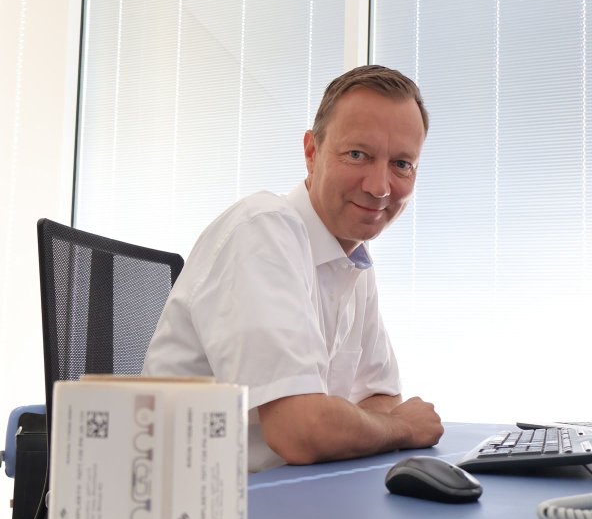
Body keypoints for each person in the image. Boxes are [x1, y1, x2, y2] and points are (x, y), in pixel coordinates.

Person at [143, 64, 443, 471]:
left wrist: (347, 421)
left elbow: (383, 398)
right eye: (358, 154)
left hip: (283, 498)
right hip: (182, 513)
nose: (379, 187)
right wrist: (401, 429)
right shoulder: (262, 230)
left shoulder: (355, 263)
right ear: (312, 153)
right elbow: (300, 431)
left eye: (402, 164)